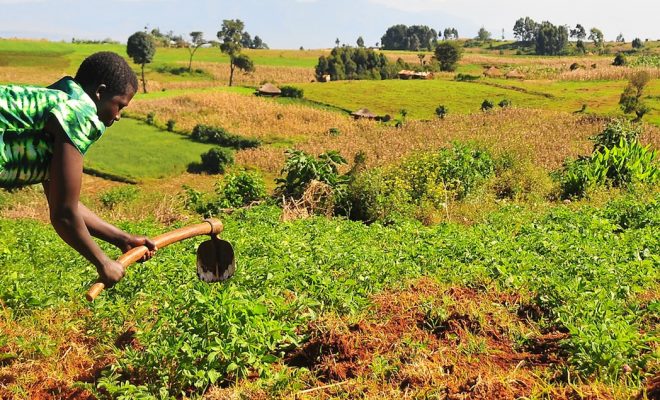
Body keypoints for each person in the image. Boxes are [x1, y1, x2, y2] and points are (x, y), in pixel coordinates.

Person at [0, 51, 157, 286]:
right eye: (119, 106)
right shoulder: (78, 114)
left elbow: (63, 201)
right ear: (100, 92)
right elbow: (63, 214)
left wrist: (122, 239)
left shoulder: (59, 103)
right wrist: (103, 263)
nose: (118, 117)